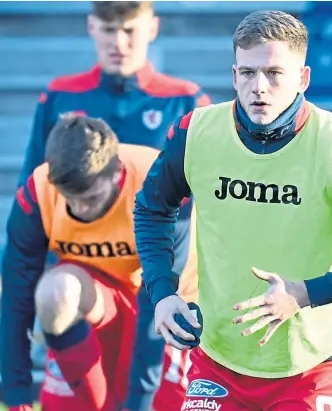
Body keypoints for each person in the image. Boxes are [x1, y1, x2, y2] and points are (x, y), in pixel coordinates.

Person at [134, 10, 332, 411]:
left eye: (273, 73)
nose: (259, 88)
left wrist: (304, 294)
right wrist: (163, 292)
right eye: (248, 73)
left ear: (303, 78)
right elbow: (152, 209)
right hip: (217, 359)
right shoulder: (194, 132)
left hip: (309, 365)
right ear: (234, 75)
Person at [17, 1, 209, 408]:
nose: (118, 42)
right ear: (90, 27)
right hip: (89, 284)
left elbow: (204, 209)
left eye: (130, 31)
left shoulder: (186, 101)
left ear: (152, 28)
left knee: (156, 400)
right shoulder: (60, 96)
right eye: (107, 30)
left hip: (161, 280)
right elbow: (35, 197)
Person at [0, 115, 195, 411]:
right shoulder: (40, 189)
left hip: (164, 302)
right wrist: (17, 398)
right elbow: (17, 295)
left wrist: (137, 403)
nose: (80, 209)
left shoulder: (157, 179)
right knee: (54, 293)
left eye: (90, 198)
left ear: (116, 171)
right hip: (98, 304)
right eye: (70, 199)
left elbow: (159, 293)